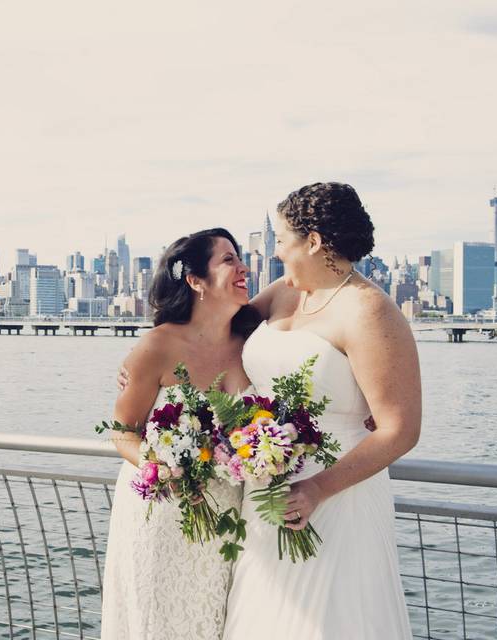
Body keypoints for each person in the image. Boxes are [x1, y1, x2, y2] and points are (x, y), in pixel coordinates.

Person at [223, 182, 419, 638]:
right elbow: (216, 339)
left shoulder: (370, 311)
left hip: (336, 497)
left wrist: (317, 488)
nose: (275, 253)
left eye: (281, 240)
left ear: (312, 241)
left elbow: (400, 428)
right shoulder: (282, 293)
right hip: (266, 491)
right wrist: (153, 361)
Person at [101, 228, 258, 640]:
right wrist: (159, 466)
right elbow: (121, 432)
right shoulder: (158, 345)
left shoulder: (256, 342)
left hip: (229, 518)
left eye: (239, 257)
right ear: (195, 281)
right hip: (164, 511)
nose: (243, 267)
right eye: (228, 260)